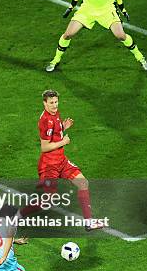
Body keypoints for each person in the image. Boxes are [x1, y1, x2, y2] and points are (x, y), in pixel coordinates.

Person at [31, 90, 103, 231]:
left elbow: (54, 133)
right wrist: (63, 141)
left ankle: (89, 222)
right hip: (49, 165)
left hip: (61, 161)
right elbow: (44, 147)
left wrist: (63, 127)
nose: (54, 105)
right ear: (44, 103)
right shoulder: (45, 120)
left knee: (83, 183)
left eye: (56, 102)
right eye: (51, 103)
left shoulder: (55, 113)